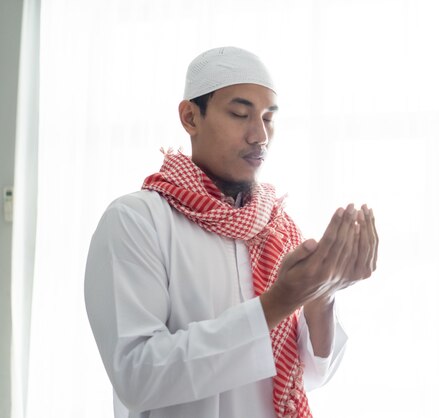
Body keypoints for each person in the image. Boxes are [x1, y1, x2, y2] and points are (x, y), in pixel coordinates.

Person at [84, 46, 378, 418]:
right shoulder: (136, 221)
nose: (260, 135)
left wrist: (321, 294)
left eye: (269, 118)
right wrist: (278, 302)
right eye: (240, 114)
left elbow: (306, 375)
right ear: (190, 117)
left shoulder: (276, 228)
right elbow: (137, 376)